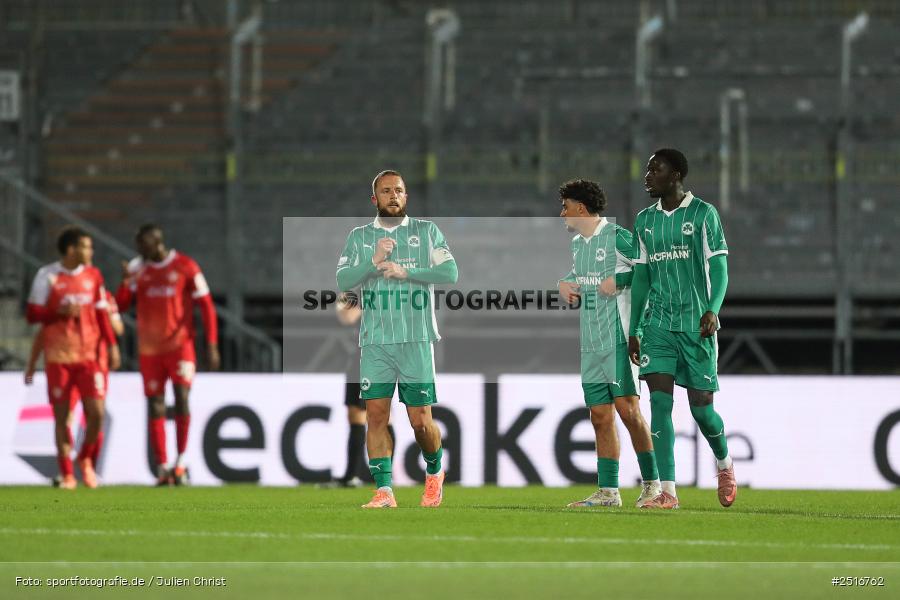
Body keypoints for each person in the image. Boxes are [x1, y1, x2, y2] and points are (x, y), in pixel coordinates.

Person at [336, 169, 458, 508]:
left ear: (406, 197)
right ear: (375, 199)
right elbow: (344, 278)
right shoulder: (360, 237)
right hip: (375, 341)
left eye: (399, 190)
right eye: (386, 191)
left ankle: (434, 473)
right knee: (375, 416)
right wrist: (373, 261)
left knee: (421, 422)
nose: (393, 195)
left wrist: (408, 272)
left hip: (416, 339)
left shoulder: (426, 231)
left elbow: (451, 272)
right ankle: (384, 490)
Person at [628, 148, 737, 510]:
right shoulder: (644, 221)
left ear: (675, 175)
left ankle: (723, 463)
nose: (647, 176)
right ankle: (668, 492)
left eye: (654, 170)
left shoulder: (704, 215)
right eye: (647, 170)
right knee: (659, 403)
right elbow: (641, 277)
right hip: (658, 325)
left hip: (696, 326)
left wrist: (712, 309)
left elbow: (719, 268)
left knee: (702, 411)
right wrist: (634, 328)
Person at [557, 179, 661, 508]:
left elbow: (650, 272)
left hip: (619, 337)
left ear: (582, 209)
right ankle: (608, 492)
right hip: (591, 342)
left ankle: (653, 485)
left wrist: (622, 279)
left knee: (629, 411)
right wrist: (566, 283)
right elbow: (579, 276)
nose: (562, 214)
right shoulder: (578, 245)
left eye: (566, 207)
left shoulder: (618, 238)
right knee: (599, 415)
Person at [116, 224, 219, 486]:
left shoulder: (186, 266)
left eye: (142, 244)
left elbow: (205, 306)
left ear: (156, 242)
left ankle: (181, 462)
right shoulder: (138, 269)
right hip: (149, 350)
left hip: (180, 346)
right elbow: (121, 305)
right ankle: (162, 467)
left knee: (182, 398)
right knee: (155, 404)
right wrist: (126, 281)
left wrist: (212, 344)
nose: (139, 249)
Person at [25, 226, 119, 489]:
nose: (91, 251)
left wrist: (112, 345)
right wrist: (59, 311)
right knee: (62, 416)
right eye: (86, 247)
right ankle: (67, 474)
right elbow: (32, 314)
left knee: (97, 413)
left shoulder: (93, 276)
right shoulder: (48, 276)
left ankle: (85, 459)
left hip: (89, 356)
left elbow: (101, 313)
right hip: (59, 357)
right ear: (71, 249)